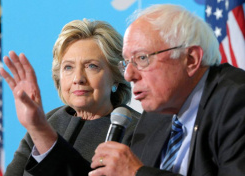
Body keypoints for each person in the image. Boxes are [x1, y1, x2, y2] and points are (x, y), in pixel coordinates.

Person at [90, 4, 245, 176]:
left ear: (191, 59)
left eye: (142, 58)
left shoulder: (237, 102)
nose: (128, 75)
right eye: (126, 63)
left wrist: (136, 173)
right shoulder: (156, 115)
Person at [0, 19, 140, 176]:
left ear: (116, 75)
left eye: (91, 66)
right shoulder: (50, 120)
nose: (78, 78)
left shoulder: (138, 130)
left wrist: (41, 132)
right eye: (68, 67)